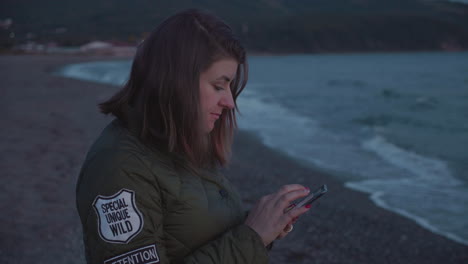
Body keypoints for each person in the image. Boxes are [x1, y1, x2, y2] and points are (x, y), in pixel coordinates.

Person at [75, 8, 312, 264]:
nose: (230, 102)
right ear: (176, 80)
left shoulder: (175, 144)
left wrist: (266, 224)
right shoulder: (119, 168)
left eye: (230, 88)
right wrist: (252, 236)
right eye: (219, 86)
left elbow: (191, 230)